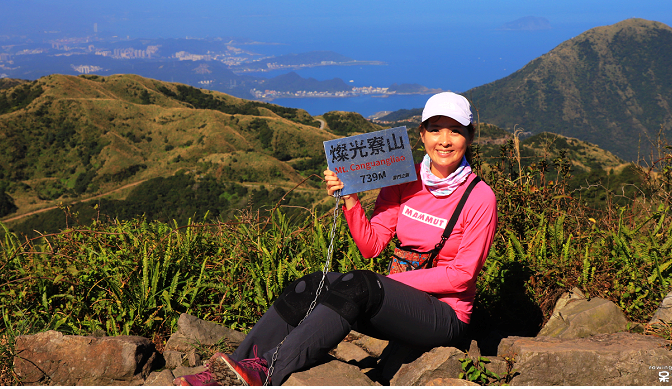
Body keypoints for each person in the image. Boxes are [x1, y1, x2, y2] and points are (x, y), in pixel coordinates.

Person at [174, 91, 497, 386]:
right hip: (394, 302)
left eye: (455, 130)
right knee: (314, 284)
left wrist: (387, 282)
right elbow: (371, 246)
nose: (445, 140)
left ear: (469, 137)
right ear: (421, 135)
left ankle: (266, 371)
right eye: (436, 129)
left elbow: (461, 276)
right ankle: (235, 367)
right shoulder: (404, 179)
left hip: (444, 316)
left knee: (361, 285)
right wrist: (351, 200)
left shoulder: (480, 197)